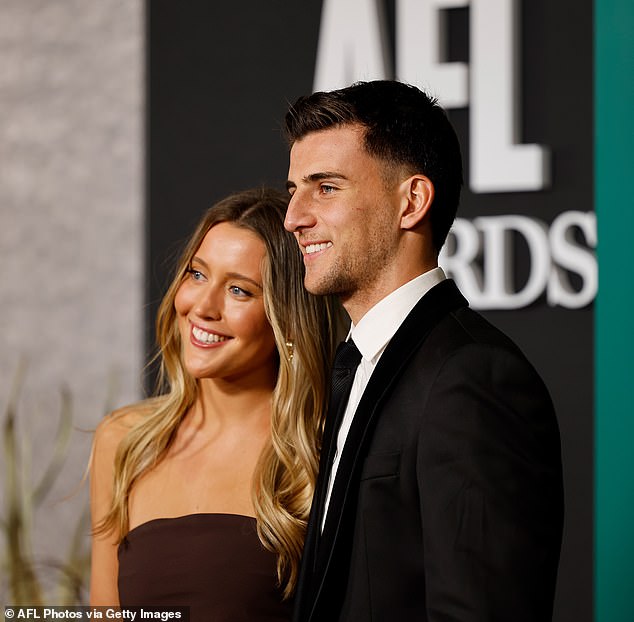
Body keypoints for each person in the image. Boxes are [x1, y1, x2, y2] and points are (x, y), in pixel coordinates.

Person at [283, 80, 564, 622]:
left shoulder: (472, 376)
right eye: (294, 189)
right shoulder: (357, 366)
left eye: (325, 187)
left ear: (411, 201)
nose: (293, 216)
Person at [89, 188, 341, 620]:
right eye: (197, 275)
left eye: (239, 291)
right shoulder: (125, 441)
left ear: (287, 318)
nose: (202, 307)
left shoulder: (321, 453)